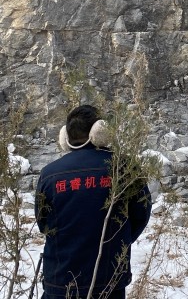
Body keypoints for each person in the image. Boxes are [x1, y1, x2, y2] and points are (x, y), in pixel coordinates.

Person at [35, 105, 152, 299]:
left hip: (59, 280)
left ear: (66, 138)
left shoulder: (50, 174)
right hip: (109, 281)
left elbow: (44, 223)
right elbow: (141, 215)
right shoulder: (124, 167)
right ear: (101, 131)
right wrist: (116, 241)